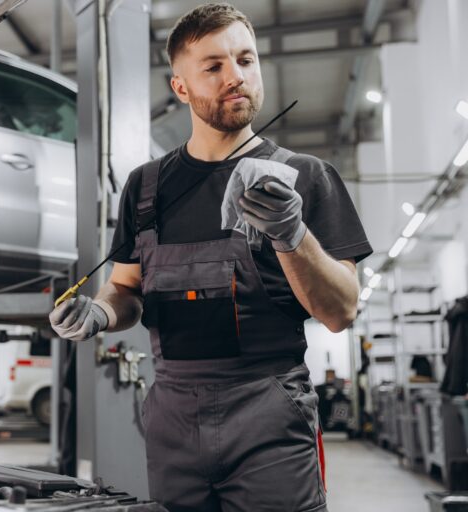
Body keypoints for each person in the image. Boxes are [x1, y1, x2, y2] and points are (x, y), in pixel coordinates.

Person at [49, 3, 372, 511]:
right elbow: (126, 288)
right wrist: (101, 312)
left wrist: (293, 234)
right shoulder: (146, 186)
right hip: (172, 420)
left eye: (246, 60)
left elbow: (342, 311)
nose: (235, 77)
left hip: (270, 416)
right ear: (181, 87)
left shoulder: (306, 176)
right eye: (214, 66)